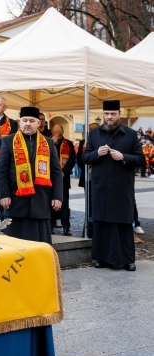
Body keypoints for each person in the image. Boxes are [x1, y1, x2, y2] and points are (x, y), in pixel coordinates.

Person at [82, 100, 143, 271]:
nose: (109, 117)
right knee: (101, 224)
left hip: (122, 188)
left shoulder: (130, 134)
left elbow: (140, 160)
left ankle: (127, 259)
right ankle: (101, 258)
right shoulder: (94, 134)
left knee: (123, 224)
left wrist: (123, 157)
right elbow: (85, 158)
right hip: (100, 187)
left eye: (113, 114)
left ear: (119, 114)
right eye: (107, 114)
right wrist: (96, 154)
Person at [0, 106, 63, 245]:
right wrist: (3, 194)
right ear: (19, 122)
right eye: (24, 120)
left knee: (39, 244)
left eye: (32, 121)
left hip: (41, 201)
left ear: (39, 123)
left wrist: (57, 196)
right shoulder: (8, 141)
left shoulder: (48, 143)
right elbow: (1, 170)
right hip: (15, 201)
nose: (28, 124)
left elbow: (56, 172)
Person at [49, 124, 75, 235]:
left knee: (64, 204)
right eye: (55, 132)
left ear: (63, 132)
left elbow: (72, 160)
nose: (57, 135)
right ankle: (50, 225)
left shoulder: (68, 143)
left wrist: (64, 172)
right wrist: (52, 142)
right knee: (50, 203)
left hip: (63, 178)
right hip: (49, 178)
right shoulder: (47, 142)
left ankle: (66, 227)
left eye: (59, 133)